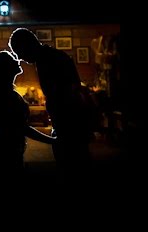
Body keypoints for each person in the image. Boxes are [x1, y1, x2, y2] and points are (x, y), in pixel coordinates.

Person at [9, 27, 93, 176]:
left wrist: (61, 124)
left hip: (69, 122)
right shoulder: (48, 58)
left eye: (20, 53)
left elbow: (68, 93)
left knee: (73, 166)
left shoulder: (50, 60)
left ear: (28, 46)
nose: (21, 59)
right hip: (66, 121)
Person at [0, 50, 55, 178]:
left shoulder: (7, 93)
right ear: (5, 68)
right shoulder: (6, 96)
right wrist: (52, 141)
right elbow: (22, 128)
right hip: (6, 152)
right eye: (12, 58)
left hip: (6, 149)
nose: (17, 59)